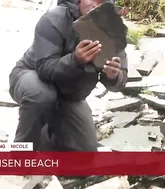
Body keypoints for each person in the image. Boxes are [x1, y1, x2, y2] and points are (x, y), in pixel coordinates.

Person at [8, 0, 128, 151]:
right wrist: (75, 60)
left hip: (70, 94)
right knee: (41, 95)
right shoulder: (54, 19)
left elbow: (121, 80)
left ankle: (47, 137)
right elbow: (44, 68)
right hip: (31, 76)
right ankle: (21, 150)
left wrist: (113, 76)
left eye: (102, 1)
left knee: (87, 152)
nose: (96, 5)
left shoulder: (112, 28)